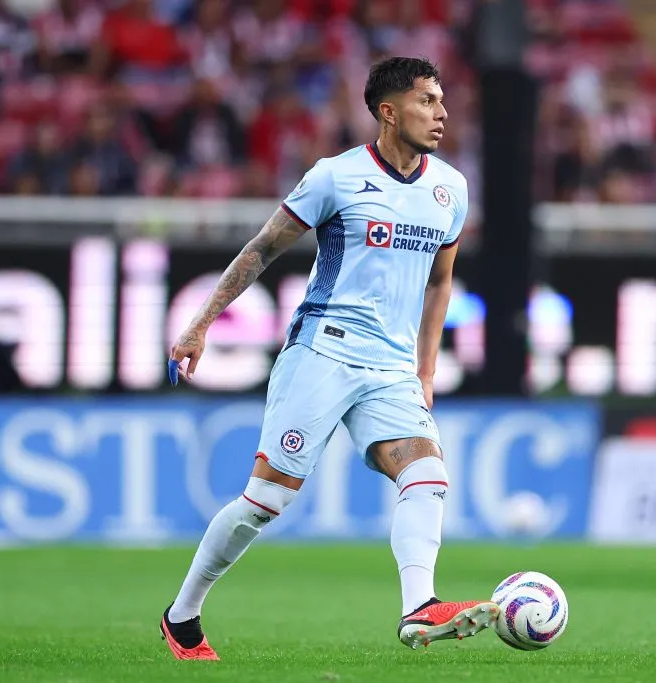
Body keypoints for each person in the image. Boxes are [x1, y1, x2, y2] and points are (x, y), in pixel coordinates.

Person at [159, 56, 496, 660]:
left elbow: (440, 281)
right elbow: (262, 248)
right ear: (389, 111)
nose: (442, 113)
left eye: (443, 100)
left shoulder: (451, 189)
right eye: (427, 101)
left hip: (391, 369)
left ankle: (419, 606)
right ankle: (182, 614)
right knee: (265, 503)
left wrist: (425, 370)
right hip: (324, 351)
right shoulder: (335, 177)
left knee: (427, 476)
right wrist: (200, 324)